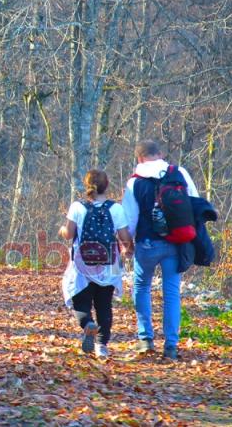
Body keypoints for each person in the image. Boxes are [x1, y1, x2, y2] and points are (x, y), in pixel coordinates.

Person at [122, 139, 199, 360]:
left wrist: (127, 245)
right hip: (175, 242)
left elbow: (129, 220)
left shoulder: (134, 182)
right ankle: (171, 345)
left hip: (147, 242)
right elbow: (195, 203)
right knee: (171, 293)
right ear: (160, 154)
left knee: (141, 287)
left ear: (139, 158)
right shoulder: (179, 173)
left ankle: (145, 339)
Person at [59, 169, 133, 358]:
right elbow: (125, 237)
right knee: (104, 305)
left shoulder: (77, 207)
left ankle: (87, 324)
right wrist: (128, 250)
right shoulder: (116, 209)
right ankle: (102, 346)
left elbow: (68, 234)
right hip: (109, 264)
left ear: (87, 185)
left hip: (82, 263)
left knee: (80, 300)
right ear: (106, 186)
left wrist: (62, 230)